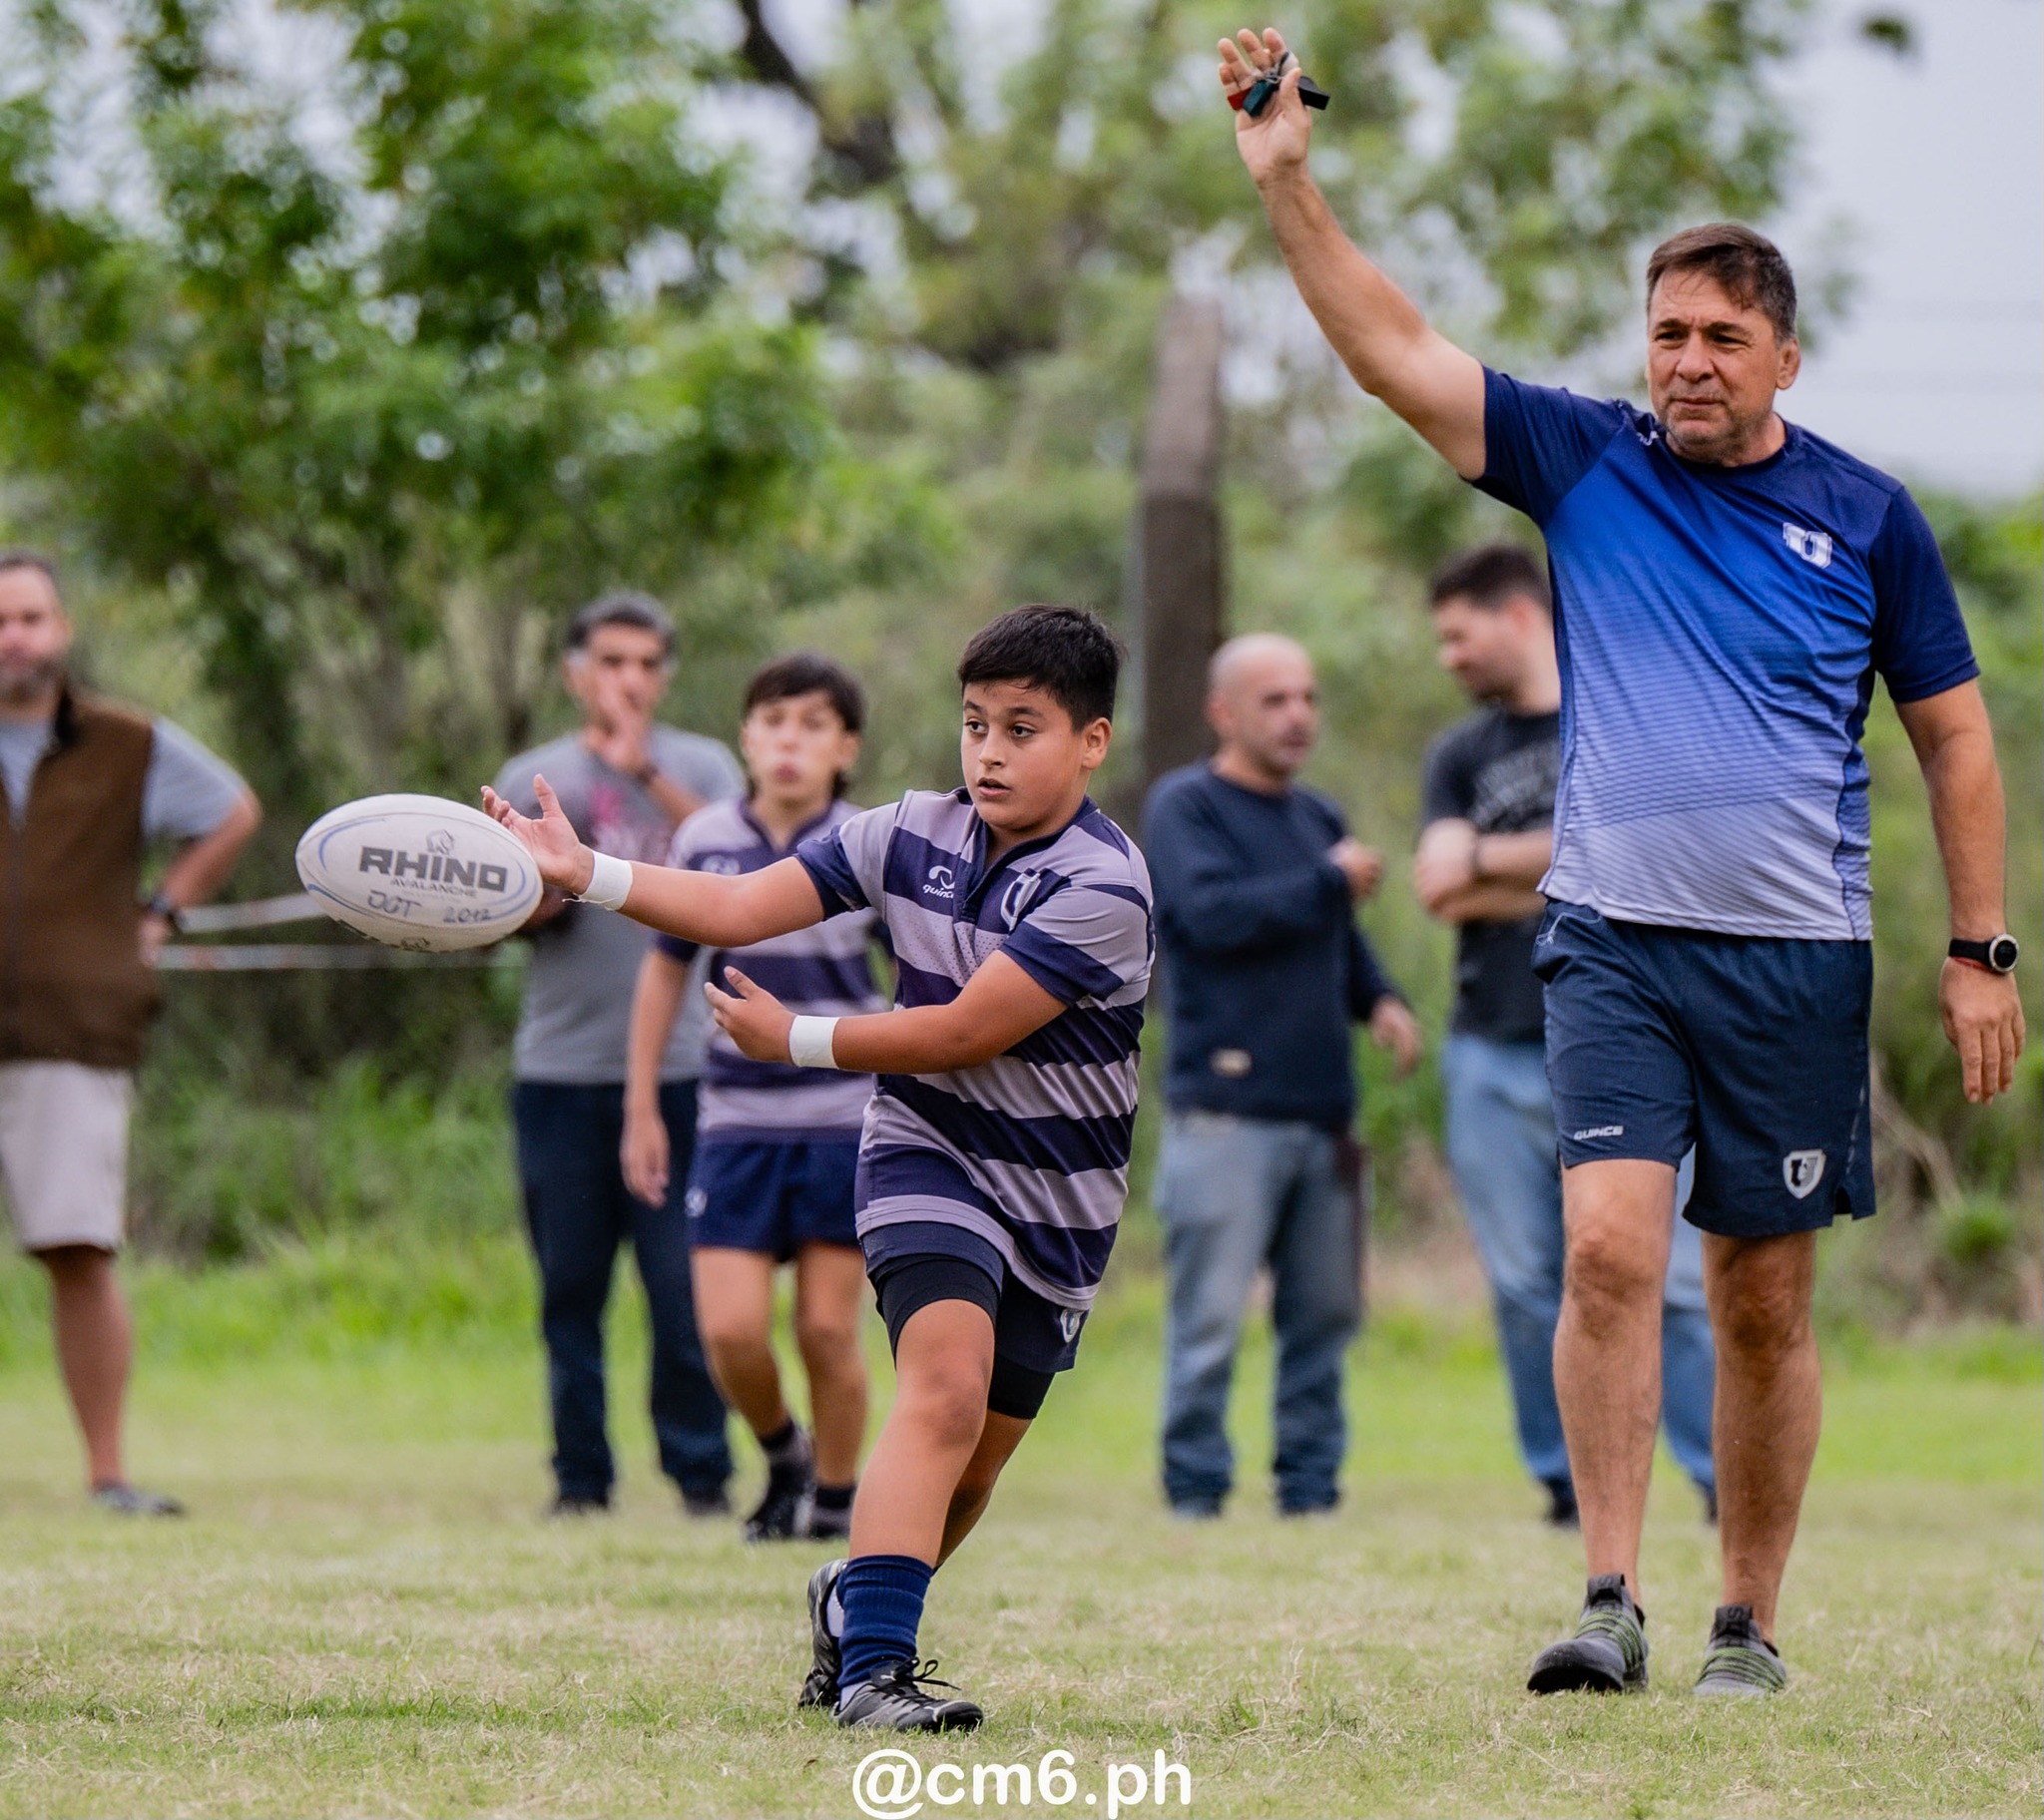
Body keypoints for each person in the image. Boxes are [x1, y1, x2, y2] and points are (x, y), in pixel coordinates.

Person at [1223, 30, 2022, 1697]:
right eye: (1664, 331)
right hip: (1609, 942)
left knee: (1755, 1297)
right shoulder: (1581, 463)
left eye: (1719, 337)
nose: (1684, 361)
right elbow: (1391, 352)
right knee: (1602, 1248)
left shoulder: (1866, 519)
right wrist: (1287, 183)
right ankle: (1606, 1591)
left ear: (1782, 358)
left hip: (1793, 960)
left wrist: (1978, 948)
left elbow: (1952, 736)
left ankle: (1747, 1614)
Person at [485, 604, 1151, 1733]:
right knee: (938, 1392)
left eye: (1022, 729)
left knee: (973, 1466)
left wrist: (796, 1037)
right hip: (923, 1150)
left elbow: (963, 1030)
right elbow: (741, 905)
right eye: (974, 724)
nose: (987, 751)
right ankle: (875, 1675)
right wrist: (587, 869)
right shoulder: (904, 830)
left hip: (1058, 1197)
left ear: (1090, 742)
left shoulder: (1103, 885)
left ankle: (853, 1598)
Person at [1417, 544, 1716, 1530]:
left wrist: (1493, 861)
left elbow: (1656, 844)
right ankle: (1562, 1481)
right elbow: (1434, 884)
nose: (1448, 658)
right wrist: (1579, 851)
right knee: (1521, 1281)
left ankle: (1718, 1473)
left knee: (1664, 1277)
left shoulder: (1614, 713)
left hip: (1631, 1039)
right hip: (1491, 1044)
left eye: (1456, 637)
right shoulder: (1458, 754)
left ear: (1513, 616)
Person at [0, 551, 260, 1515]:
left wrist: (165, 910)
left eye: (29, 617)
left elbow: (234, 812)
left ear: (61, 629)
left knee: (78, 1248)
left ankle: (107, 1475)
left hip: (76, 1027)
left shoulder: (129, 743)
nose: (13, 636)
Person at [1143, 634, 1420, 1520]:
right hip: (1223, 1110)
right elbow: (1207, 916)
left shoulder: (1320, 817)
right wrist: (1325, 880)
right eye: (1275, 699)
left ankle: (1310, 1489)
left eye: (1307, 696)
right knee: (1210, 1322)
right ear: (1224, 712)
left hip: (1323, 1113)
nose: (1298, 714)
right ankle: (1195, 1491)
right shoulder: (1186, 808)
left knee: (1324, 1319)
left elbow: (1336, 938)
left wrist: (1379, 998)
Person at [622, 654, 886, 1544]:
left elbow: (924, 976)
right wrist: (642, 1107)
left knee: (824, 1330)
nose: (790, 740)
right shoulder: (703, 842)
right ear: (745, 736)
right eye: (774, 720)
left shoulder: (869, 843)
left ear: (845, 746)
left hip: (842, 1121)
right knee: (729, 1333)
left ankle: (836, 1504)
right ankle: (784, 1456)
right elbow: (663, 980)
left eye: (813, 725)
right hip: (735, 1121)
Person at [493, 592, 744, 1519]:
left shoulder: (707, 769)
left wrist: (646, 775)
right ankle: (580, 1483)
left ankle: (703, 1476)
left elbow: (743, 872)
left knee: (683, 1292)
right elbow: (500, 916)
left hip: (686, 1073)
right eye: (610, 661)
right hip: (560, 1071)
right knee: (570, 1290)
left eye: (645, 662)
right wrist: (541, 895)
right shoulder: (534, 775)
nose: (628, 679)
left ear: (664, 674)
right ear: (575, 672)